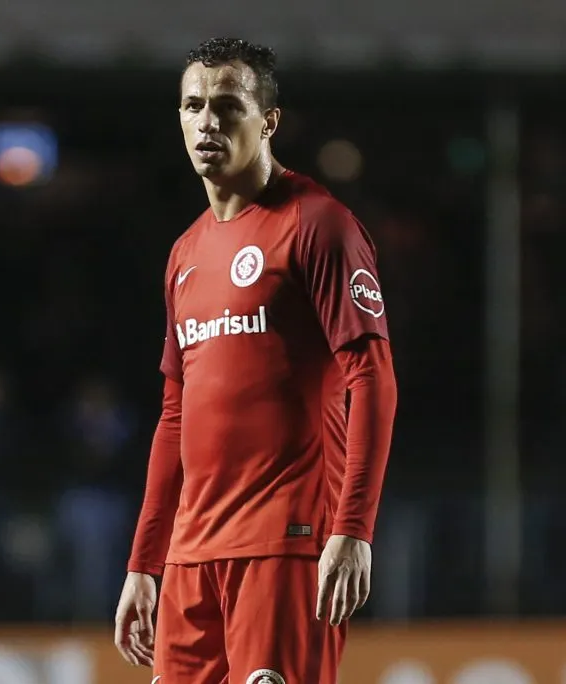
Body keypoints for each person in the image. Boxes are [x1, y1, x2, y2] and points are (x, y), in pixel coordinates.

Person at [113, 38, 398, 684]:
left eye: (226, 105)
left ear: (267, 121)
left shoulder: (319, 226)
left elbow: (373, 380)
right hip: (191, 556)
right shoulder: (184, 253)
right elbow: (175, 417)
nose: (207, 122)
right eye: (192, 106)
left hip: (286, 541)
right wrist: (145, 562)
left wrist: (353, 529)